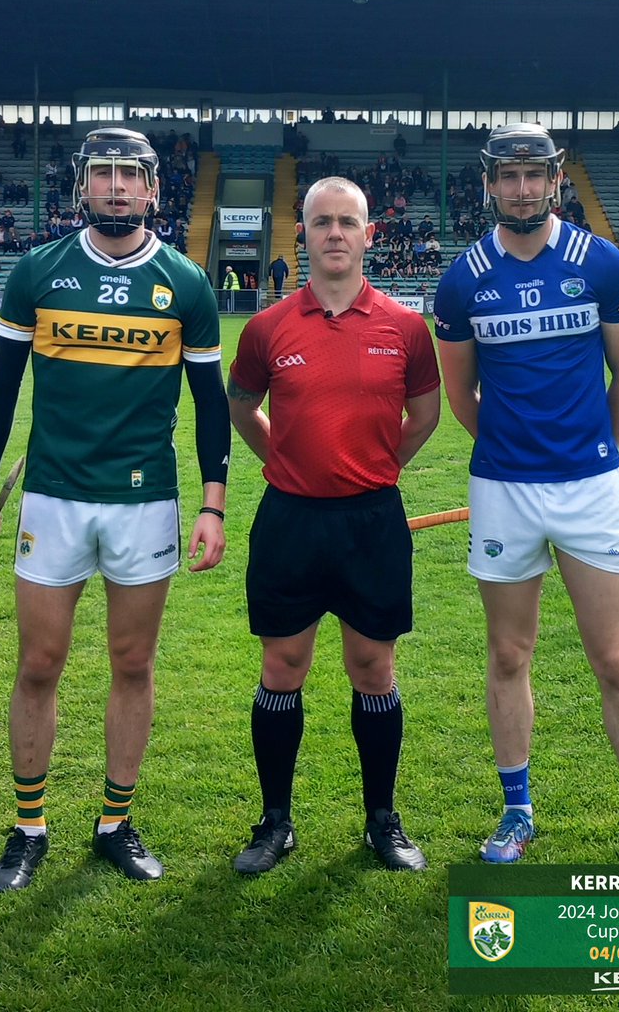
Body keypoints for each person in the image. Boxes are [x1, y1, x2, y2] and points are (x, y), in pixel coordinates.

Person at [0, 127, 230, 893]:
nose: (116, 186)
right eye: (103, 173)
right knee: (39, 663)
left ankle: (114, 821)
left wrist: (212, 502)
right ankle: (28, 826)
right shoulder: (39, 272)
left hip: (144, 502)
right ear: (82, 186)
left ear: (152, 190)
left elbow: (209, 404)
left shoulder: (185, 283)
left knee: (132, 662)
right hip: (53, 494)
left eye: (130, 175)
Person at [433, 124, 619, 867]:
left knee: (612, 657)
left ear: (555, 179)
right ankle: (516, 813)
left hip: (589, 490)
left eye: (531, 175)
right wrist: (514, 458)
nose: (519, 188)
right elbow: (458, 393)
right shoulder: (463, 277)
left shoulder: (600, 263)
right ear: (488, 183)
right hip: (504, 491)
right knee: (508, 654)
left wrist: (590, 458)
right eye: (505, 176)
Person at [226, 175, 440, 875]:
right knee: (281, 666)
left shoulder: (406, 328)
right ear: (304, 234)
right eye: (322, 222)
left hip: (372, 520)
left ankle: (381, 820)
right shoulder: (267, 327)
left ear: (369, 233)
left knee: (372, 668)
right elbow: (240, 406)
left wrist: (378, 467)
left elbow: (427, 416)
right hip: (289, 518)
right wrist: (283, 459)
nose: (336, 233)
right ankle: (275, 822)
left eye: (349, 221)